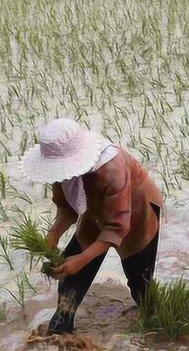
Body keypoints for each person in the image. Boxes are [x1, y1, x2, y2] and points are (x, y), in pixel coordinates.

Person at [20, 118, 163, 334]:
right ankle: (62, 322)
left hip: (137, 212)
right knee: (71, 273)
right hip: (95, 210)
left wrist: (82, 259)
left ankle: (152, 320)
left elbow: (116, 228)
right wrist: (53, 235)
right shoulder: (62, 171)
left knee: (139, 280)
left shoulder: (112, 169)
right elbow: (67, 210)